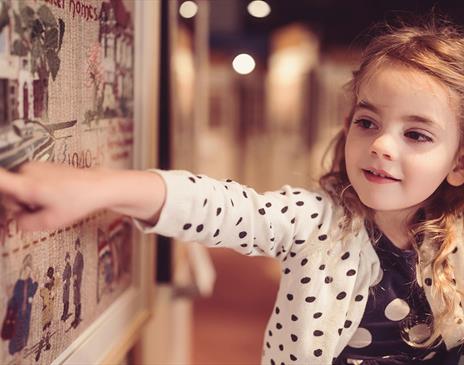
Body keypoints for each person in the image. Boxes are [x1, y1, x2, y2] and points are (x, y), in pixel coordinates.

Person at [0, 17, 464, 365]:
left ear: (458, 162)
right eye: (368, 122)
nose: (381, 145)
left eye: (417, 135)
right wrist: (95, 189)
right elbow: (220, 206)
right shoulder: (316, 222)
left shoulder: (455, 245)